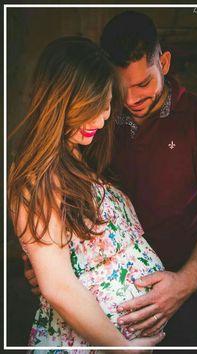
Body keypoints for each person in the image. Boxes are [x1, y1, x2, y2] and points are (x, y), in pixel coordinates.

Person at [8, 36, 166, 352]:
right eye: (88, 110)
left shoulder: (82, 155)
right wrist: (121, 347)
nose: (100, 120)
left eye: (106, 104)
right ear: (59, 103)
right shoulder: (38, 173)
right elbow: (58, 285)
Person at [99, 11, 197, 349]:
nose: (131, 99)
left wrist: (183, 284)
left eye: (144, 83)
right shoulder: (100, 119)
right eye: (120, 87)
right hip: (123, 297)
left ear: (166, 62)